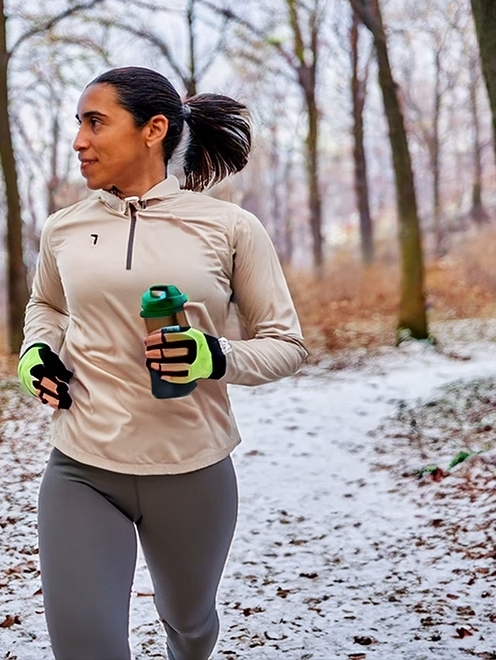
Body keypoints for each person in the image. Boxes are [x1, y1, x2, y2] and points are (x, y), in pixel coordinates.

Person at [17, 66, 307, 660]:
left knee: (190, 628)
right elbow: (45, 303)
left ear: (153, 129)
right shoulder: (64, 229)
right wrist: (35, 352)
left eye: (96, 123)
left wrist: (214, 355)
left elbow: (286, 343)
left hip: (191, 469)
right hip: (82, 466)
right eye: (78, 124)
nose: (79, 141)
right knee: (85, 649)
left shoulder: (228, 227)